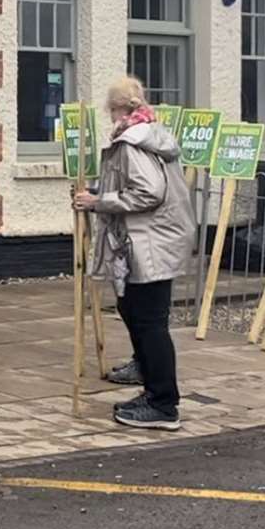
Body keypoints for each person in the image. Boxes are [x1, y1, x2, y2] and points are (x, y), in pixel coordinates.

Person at [75, 76, 195, 432]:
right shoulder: (149, 134)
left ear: (118, 109)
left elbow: (147, 192)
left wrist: (99, 202)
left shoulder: (130, 142)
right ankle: (151, 387)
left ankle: (163, 403)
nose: (110, 117)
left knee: (149, 322)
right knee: (134, 311)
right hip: (153, 240)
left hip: (150, 242)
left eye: (111, 110)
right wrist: (101, 192)